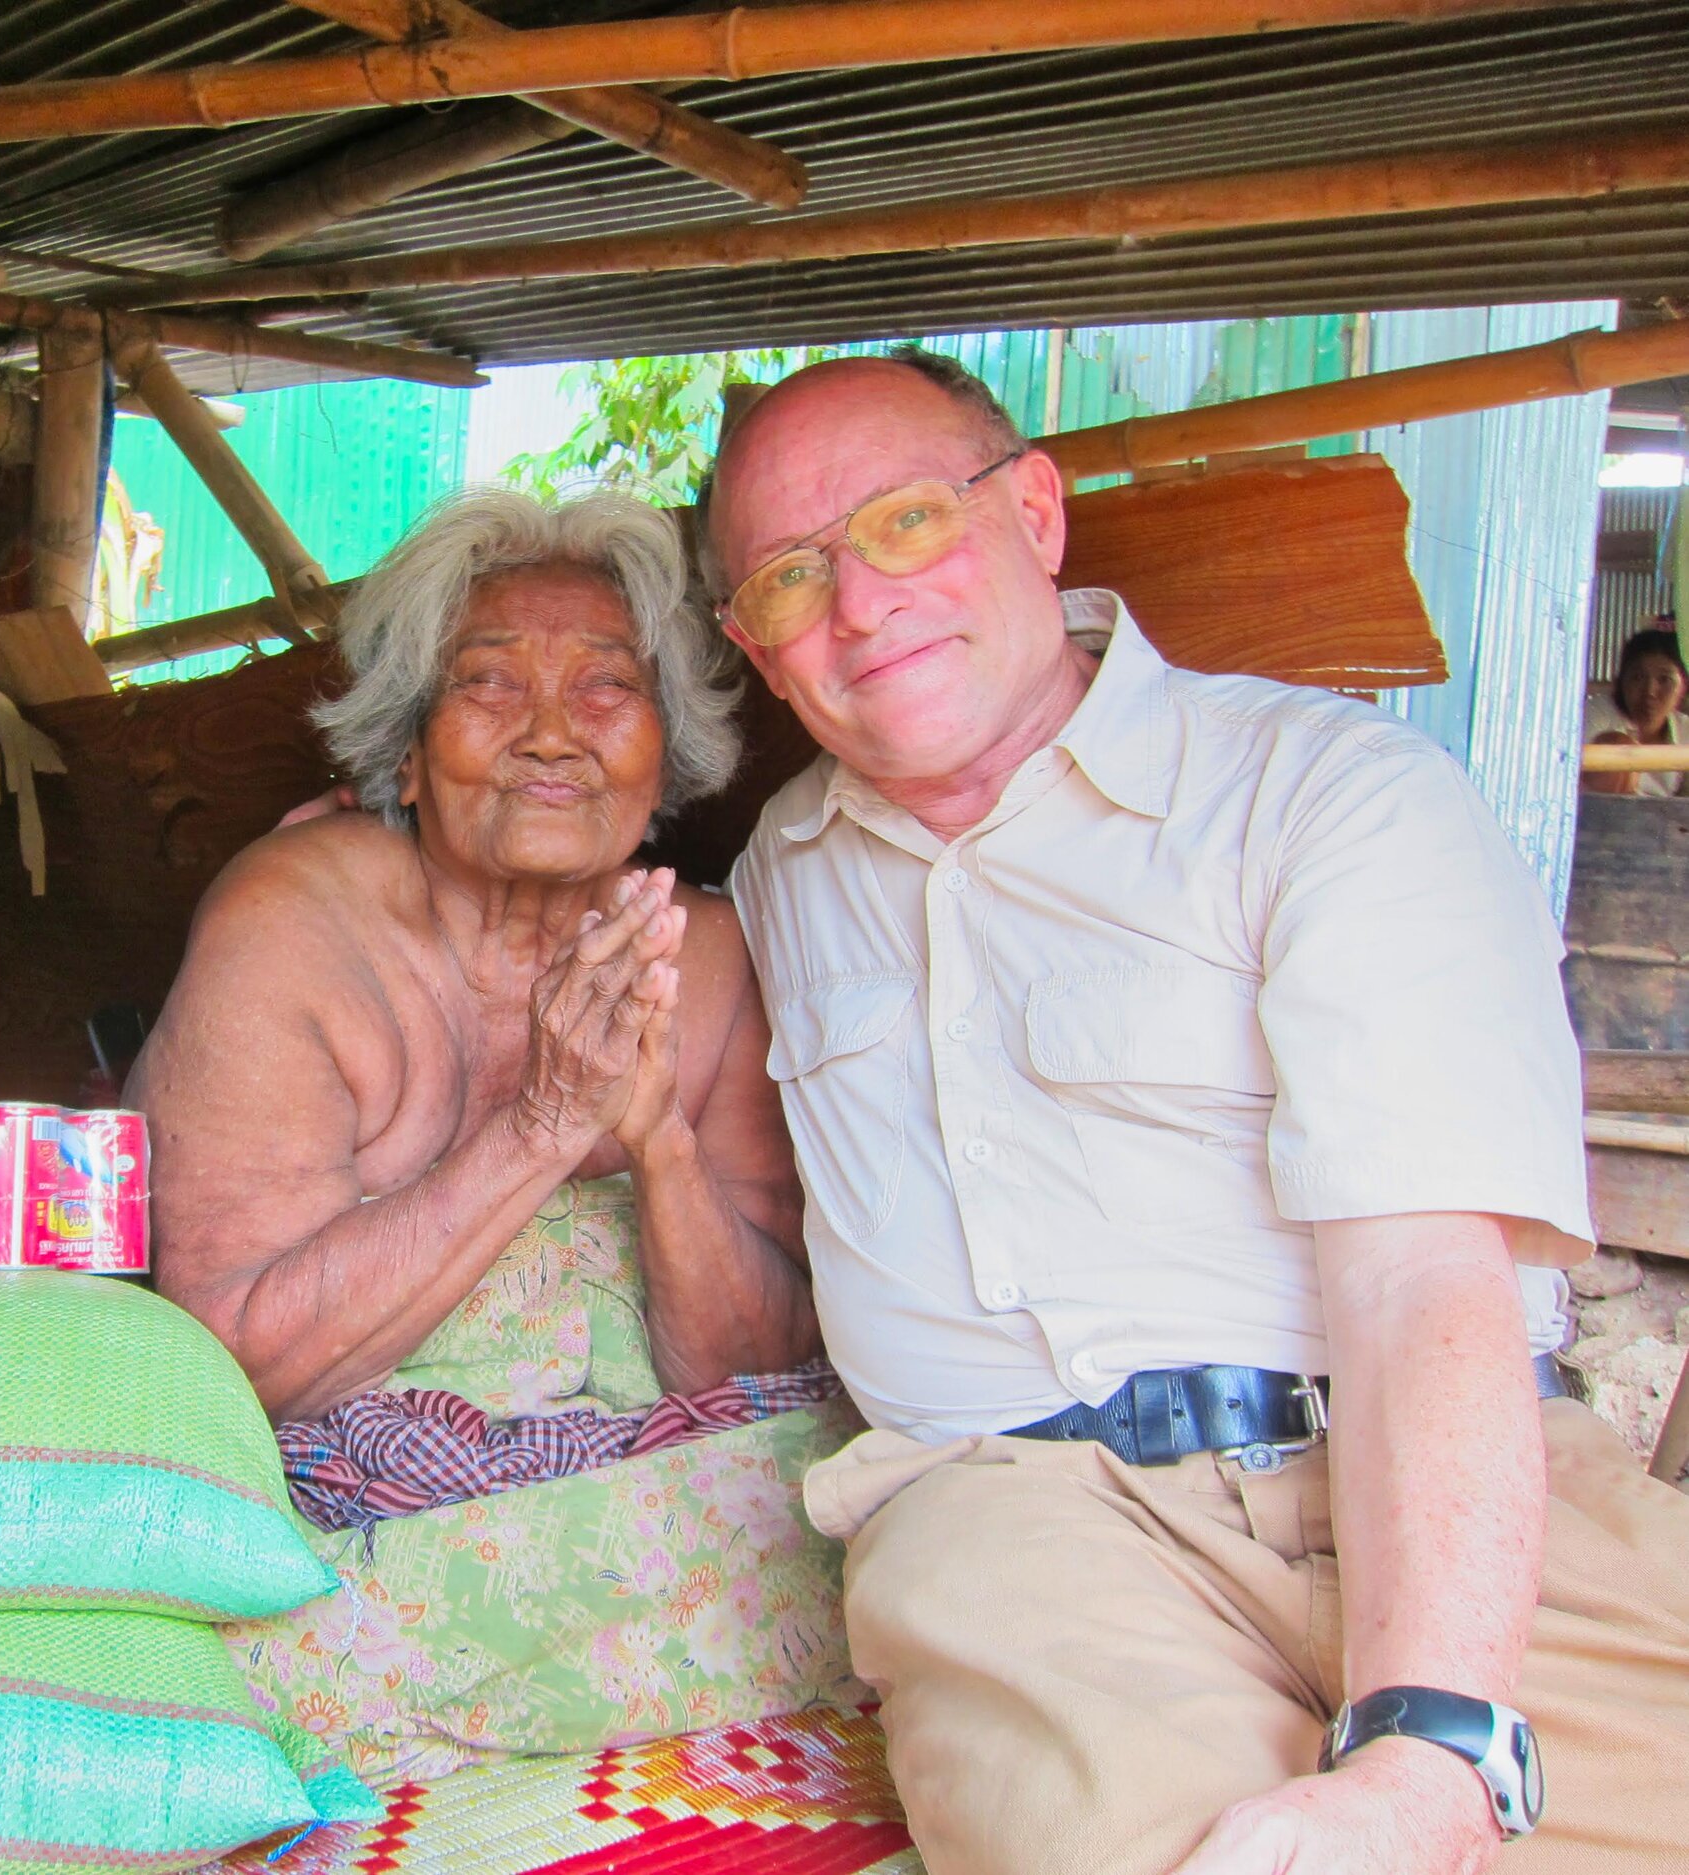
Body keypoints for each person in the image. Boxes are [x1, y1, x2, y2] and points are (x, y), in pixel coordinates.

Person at [703, 349, 1689, 1875]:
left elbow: (1428, 1278)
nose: (857, 601)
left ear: (1036, 512)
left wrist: (1432, 1744)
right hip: (1031, 1526)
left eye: (905, 522)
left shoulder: (1331, 796)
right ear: (753, 650)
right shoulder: (776, 873)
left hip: (1446, 1471)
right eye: (785, 578)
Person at [129, 488, 857, 1786]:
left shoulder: (716, 960)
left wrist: (663, 1153)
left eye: (604, 688)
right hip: (370, 1518)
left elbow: (756, 1372)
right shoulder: (297, 923)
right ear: (403, 754)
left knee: (861, 1493)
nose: (549, 734)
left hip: (664, 1491)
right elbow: (230, 1366)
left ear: (664, 757)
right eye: (488, 683)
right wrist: (543, 1128)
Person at [1582, 623, 1688, 797]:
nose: (1650, 692)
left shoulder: (1685, 731)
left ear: (1683, 687)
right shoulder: (1596, 716)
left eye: (1665, 679)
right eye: (1638, 677)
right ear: (1621, 681)